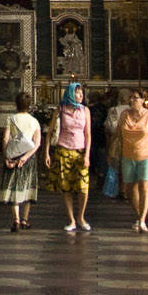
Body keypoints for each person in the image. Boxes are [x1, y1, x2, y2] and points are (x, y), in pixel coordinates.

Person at [116, 89, 148, 233]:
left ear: (142, 100)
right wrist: (111, 151)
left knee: (144, 187)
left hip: (146, 155)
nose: (131, 100)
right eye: (130, 98)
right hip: (128, 155)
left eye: (135, 98)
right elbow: (118, 133)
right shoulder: (124, 114)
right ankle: (140, 216)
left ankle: (142, 219)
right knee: (132, 189)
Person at [48, 82, 93, 233]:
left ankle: (81, 216)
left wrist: (87, 154)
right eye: (78, 93)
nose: (81, 96)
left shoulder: (85, 110)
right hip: (64, 149)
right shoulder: (60, 110)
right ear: (71, 94)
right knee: (66, 187)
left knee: (83, 186)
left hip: (80, 151)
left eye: (82, 94)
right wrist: (47, 152)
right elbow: (51, 131)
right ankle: (71, 219)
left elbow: (88, 134)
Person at [0, 91, 42, 231]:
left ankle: (16, 219)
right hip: (28, 157)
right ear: (29, 105)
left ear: (16, 104)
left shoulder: (10, 119)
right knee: (27, 187)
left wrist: (7, 156)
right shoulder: (34, 121)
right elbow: (37, 143)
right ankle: (25, 219)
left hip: (13, 157)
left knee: (14, 187)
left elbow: (5, 139)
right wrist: (26, 157)